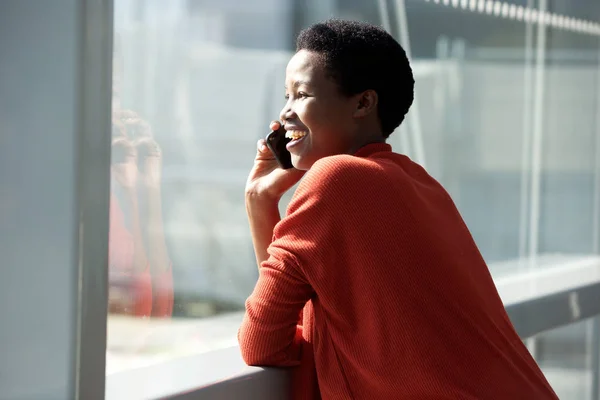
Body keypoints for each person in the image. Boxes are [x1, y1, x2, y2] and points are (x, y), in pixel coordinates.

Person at [238, 19, 558, 400]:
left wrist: (259, 206)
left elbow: (263, 343)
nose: (286, 113)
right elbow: (302, 330)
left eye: (302, 94)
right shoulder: (418, 183)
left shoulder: (334, 180)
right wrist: (262, 203)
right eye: (286, 96)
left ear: (362, 102)